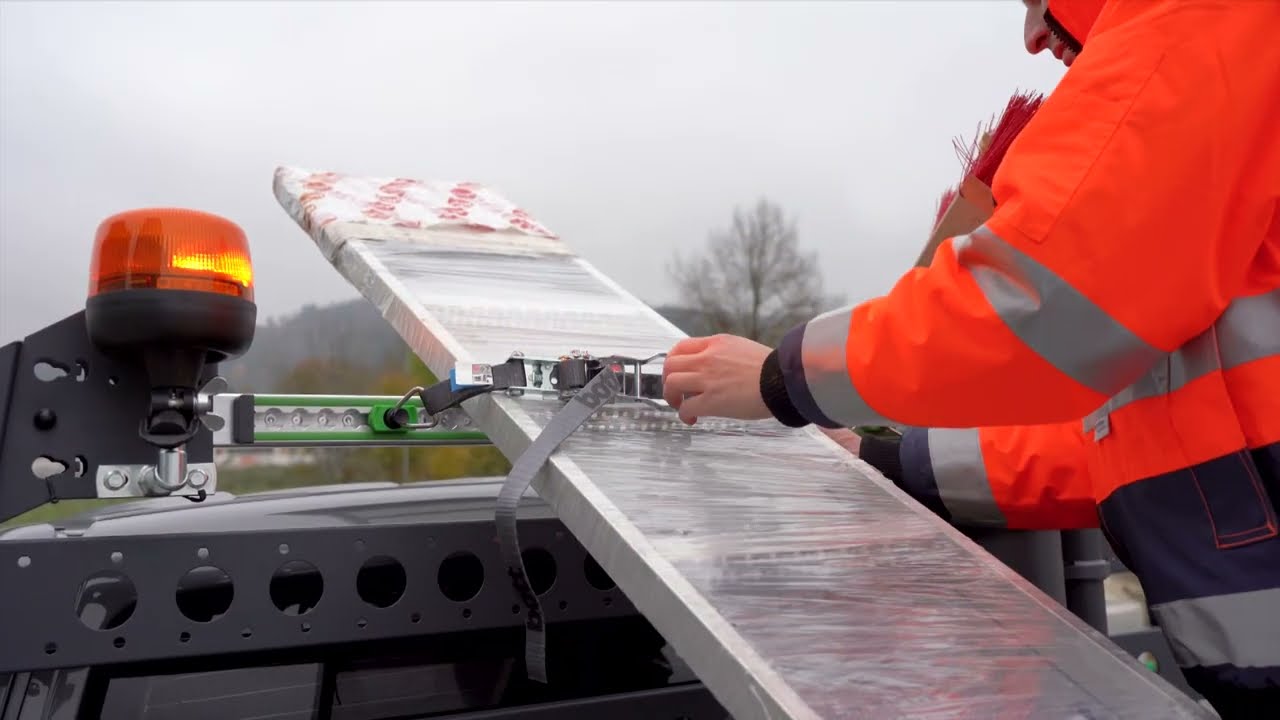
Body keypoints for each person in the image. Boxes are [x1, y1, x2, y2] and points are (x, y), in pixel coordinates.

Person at [660, 0, 1280, 716]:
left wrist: (783, 379)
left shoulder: (1205, 17)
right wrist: (890, 457)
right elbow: (1146, 443)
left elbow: (1037, 305)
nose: (1033, 35)